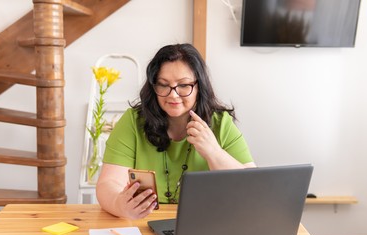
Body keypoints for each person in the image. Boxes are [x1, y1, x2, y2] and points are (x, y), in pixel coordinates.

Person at [96, 43, 256, 219]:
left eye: (183, 85)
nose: (173, 95)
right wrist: (120, 206)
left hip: (206, 220)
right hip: (146, 221)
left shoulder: (221, 124)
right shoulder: (133, 121)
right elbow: (107, 184)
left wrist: (214, 152)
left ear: (199, 87)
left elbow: (252, 187)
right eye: (163, 85)